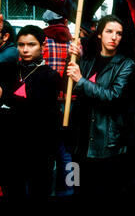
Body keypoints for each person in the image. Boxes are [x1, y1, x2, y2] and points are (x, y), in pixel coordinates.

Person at [66, 15, 135, 196]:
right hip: (79, 141)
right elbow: (67, 86)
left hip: (105, 144)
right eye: (109, 31)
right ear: (99, 34)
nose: (114, 37)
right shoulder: (87, 60)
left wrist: (81, 80)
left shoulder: (126, 64)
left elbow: (113, 97)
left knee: (103, 191)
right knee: (77, 188)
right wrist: (72, 59)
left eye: (119, 33)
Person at [0, 25, 61, 197]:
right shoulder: (8, 69)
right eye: (21, 44)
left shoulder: (50, 76)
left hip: (39, 147)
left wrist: (8, 101)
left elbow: (37, 111)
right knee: (12, 189)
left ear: (43, 46)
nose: (25, 49)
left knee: (39, 189)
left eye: (31, 44)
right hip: (11, 147)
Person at [41, 10, 74, 196]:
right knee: (69, 151)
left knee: (47, 149)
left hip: (48, 101)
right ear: (66, 20)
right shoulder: (74, 43)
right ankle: (70, 189)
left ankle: (45, 189)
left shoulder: (43, 41)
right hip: (70, 101)